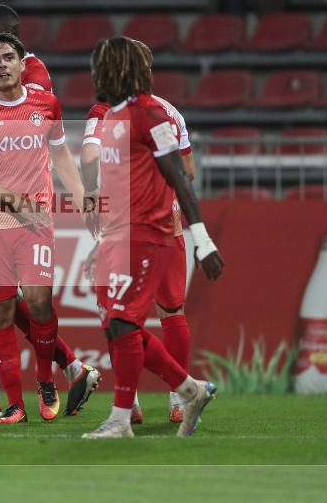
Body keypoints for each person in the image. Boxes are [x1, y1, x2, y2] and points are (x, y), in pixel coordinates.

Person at [0, 4, 101, 419]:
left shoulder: (40, 89)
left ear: (15, 43)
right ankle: (6, 398)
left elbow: (56, 149)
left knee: (33, 302)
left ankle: (48, 378)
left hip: (32, 212)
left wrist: (82, 194)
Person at [80, 36, 223, 439]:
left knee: (126, 322)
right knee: (116, 322)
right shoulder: (112, 117)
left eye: (99, 66)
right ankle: (189, 390)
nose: (94, 73)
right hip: (119, 236)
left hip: (150, 234)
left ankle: (122, 419)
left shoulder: (152, 116)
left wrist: (204, 240)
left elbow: (180, 175)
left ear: (117, 70)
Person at [82, 81, 196, 425]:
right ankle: (180, 398)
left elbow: (88, 157)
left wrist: (92, 191)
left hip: (126, 226)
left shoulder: (105, 111)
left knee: (115, 315)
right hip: (168, 224)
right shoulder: (168, 111)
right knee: (171, 311)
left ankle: (128, 403)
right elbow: (187, 172)